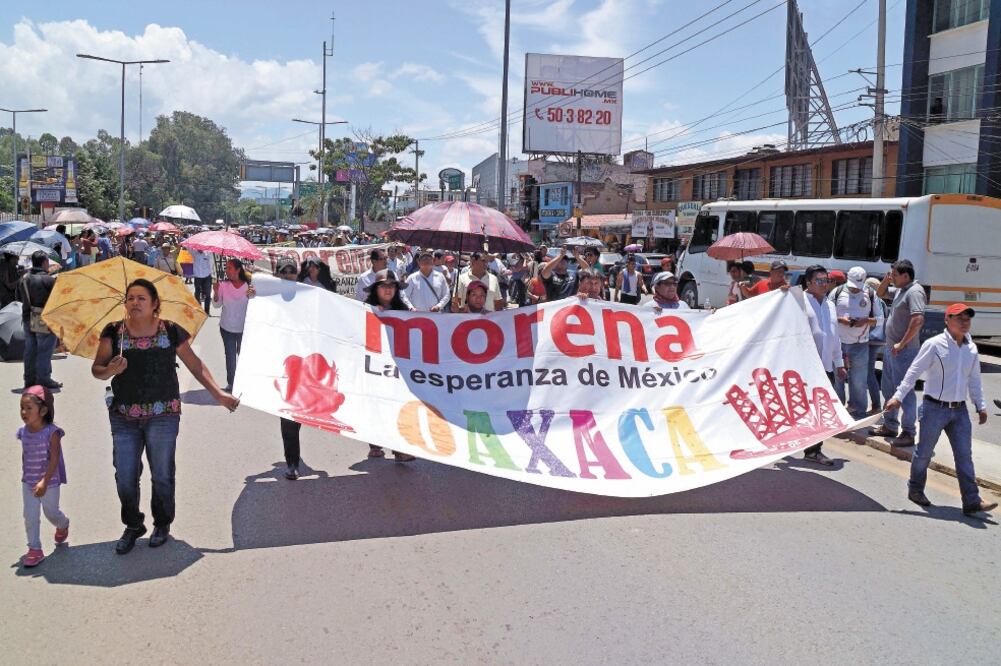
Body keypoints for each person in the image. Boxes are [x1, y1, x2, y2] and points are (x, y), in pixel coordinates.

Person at [91, 279, 239, 554]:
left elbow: (194, 364)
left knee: (162, 474)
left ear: (155, 303)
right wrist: (110, 368)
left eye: (141, 298)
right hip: (124, 416)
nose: (134, 303)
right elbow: (97, 370)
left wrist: (219, 394)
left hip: (164, 415)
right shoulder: (114, 332)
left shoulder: (170, 331)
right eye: (130, 298)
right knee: (125, 475)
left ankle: (162, 523)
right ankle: (133, 524)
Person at [886, 303, 997, 516]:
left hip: (959, 411)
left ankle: (971, 501)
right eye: (959, 318)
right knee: (924, 454)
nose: (965, 323)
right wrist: (897, 396)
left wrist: (980, 405)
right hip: (933, 408)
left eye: (968, 319)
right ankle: (915, 489)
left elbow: (974, 379)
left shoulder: (971, 348)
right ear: (947, 320)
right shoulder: (934, 345)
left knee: (964, 456)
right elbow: (914, 371)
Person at [363, 269, 417, 462]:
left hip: (396, 365)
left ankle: (399, 448)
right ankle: (375, 443)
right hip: (373, 364)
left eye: (391, 286)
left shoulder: (403, 312)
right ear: (376, 289)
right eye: (384, 286)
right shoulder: (364, 309)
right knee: (375, 405)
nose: (388, 289)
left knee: (396, 406)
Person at [871, 259, 926, 446]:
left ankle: (909, 432)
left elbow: (917, 319)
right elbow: (879, 294)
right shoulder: (901, 290)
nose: (892, 278)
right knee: (888, 388)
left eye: (895, 275)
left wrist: (902, 344)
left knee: (905, 391)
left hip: (904, 351)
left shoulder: (914, 292)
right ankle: (890, 425)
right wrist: (887, 279)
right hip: (891, 349)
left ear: (905, 276)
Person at [17, 385, 69, 568]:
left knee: (51, 513)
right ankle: (34, 549)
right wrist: (28, 477)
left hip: (49, 483)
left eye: (29, 408)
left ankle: (62, 524)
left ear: (43, 410)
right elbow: (26, 455)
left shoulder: (52, 432)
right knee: (30, 516)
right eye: (22, 408)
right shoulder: (22, 432)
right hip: (29, 482)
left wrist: (44, 481)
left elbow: (54, 460)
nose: (24, 412)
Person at [801, 265, 846, 466]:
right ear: (808, 283)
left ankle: (813, 450)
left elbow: (834, 337)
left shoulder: (830, 305)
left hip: (825, 367)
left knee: (820, 410)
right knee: (799, 409)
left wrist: (839, 363)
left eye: (826, 280)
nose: (824, 284)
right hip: (803, 368)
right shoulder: (798, 302)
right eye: (819, 280)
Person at [830, 266, 881, 419]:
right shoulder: (837, 292)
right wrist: (840, 320)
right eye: (852, 287)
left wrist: (866, 321)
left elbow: (880, 320)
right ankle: (837, 411)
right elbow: (826, 314)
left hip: (860, 344)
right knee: (837, 380)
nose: (855, 290)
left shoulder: (871, 294)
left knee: (858, 380)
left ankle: (858, 412)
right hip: (837, 343)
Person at [274, 259, 305, 480]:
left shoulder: (308, 296)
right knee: (288, 415)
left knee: (299, 415)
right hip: (280, 365)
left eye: (291, 271)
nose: (287, 275)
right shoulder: (268, 297)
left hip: (305, 365)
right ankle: (292, 462)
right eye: (283, 272)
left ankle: (293, 455)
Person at [213, 259, 256, 393]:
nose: (227, 270)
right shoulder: (223, 285)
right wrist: (215, 292)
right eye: (226, 268)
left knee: (243, 356)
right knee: (230, 356)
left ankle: (245, 382)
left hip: (244, 328)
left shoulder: (249, 285)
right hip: (227, 328)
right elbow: (216, 305)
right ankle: (231, 383)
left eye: (230, 268)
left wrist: (253, 295)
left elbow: (255, 306)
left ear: (238, 270)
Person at [20, 251, 60, 390]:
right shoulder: (48, 279)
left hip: (27, 316)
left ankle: (29, 380)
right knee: (44, 350)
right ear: (44, 262)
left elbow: (20, 297)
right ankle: (44, 379)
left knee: (30, 350)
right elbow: (56, 301)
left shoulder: (24, 278)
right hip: (42, 317)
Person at [865, 276, 889, 413]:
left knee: (868, 373)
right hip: (878, 340)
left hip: (869, 339)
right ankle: (875, 405)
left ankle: (875, 405)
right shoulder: (883, 303)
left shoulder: (872, 301)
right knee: (869, 372)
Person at [190, 248, 214, 314]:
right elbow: (188, 246)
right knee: (197, 293)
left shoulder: (208, 253)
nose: (199, 248)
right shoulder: (194, 253)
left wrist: (213, 275)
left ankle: (207, 311)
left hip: (207, 276)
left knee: (208, 294)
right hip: (197, 277)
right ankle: (198, 309)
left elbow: (211, 263)